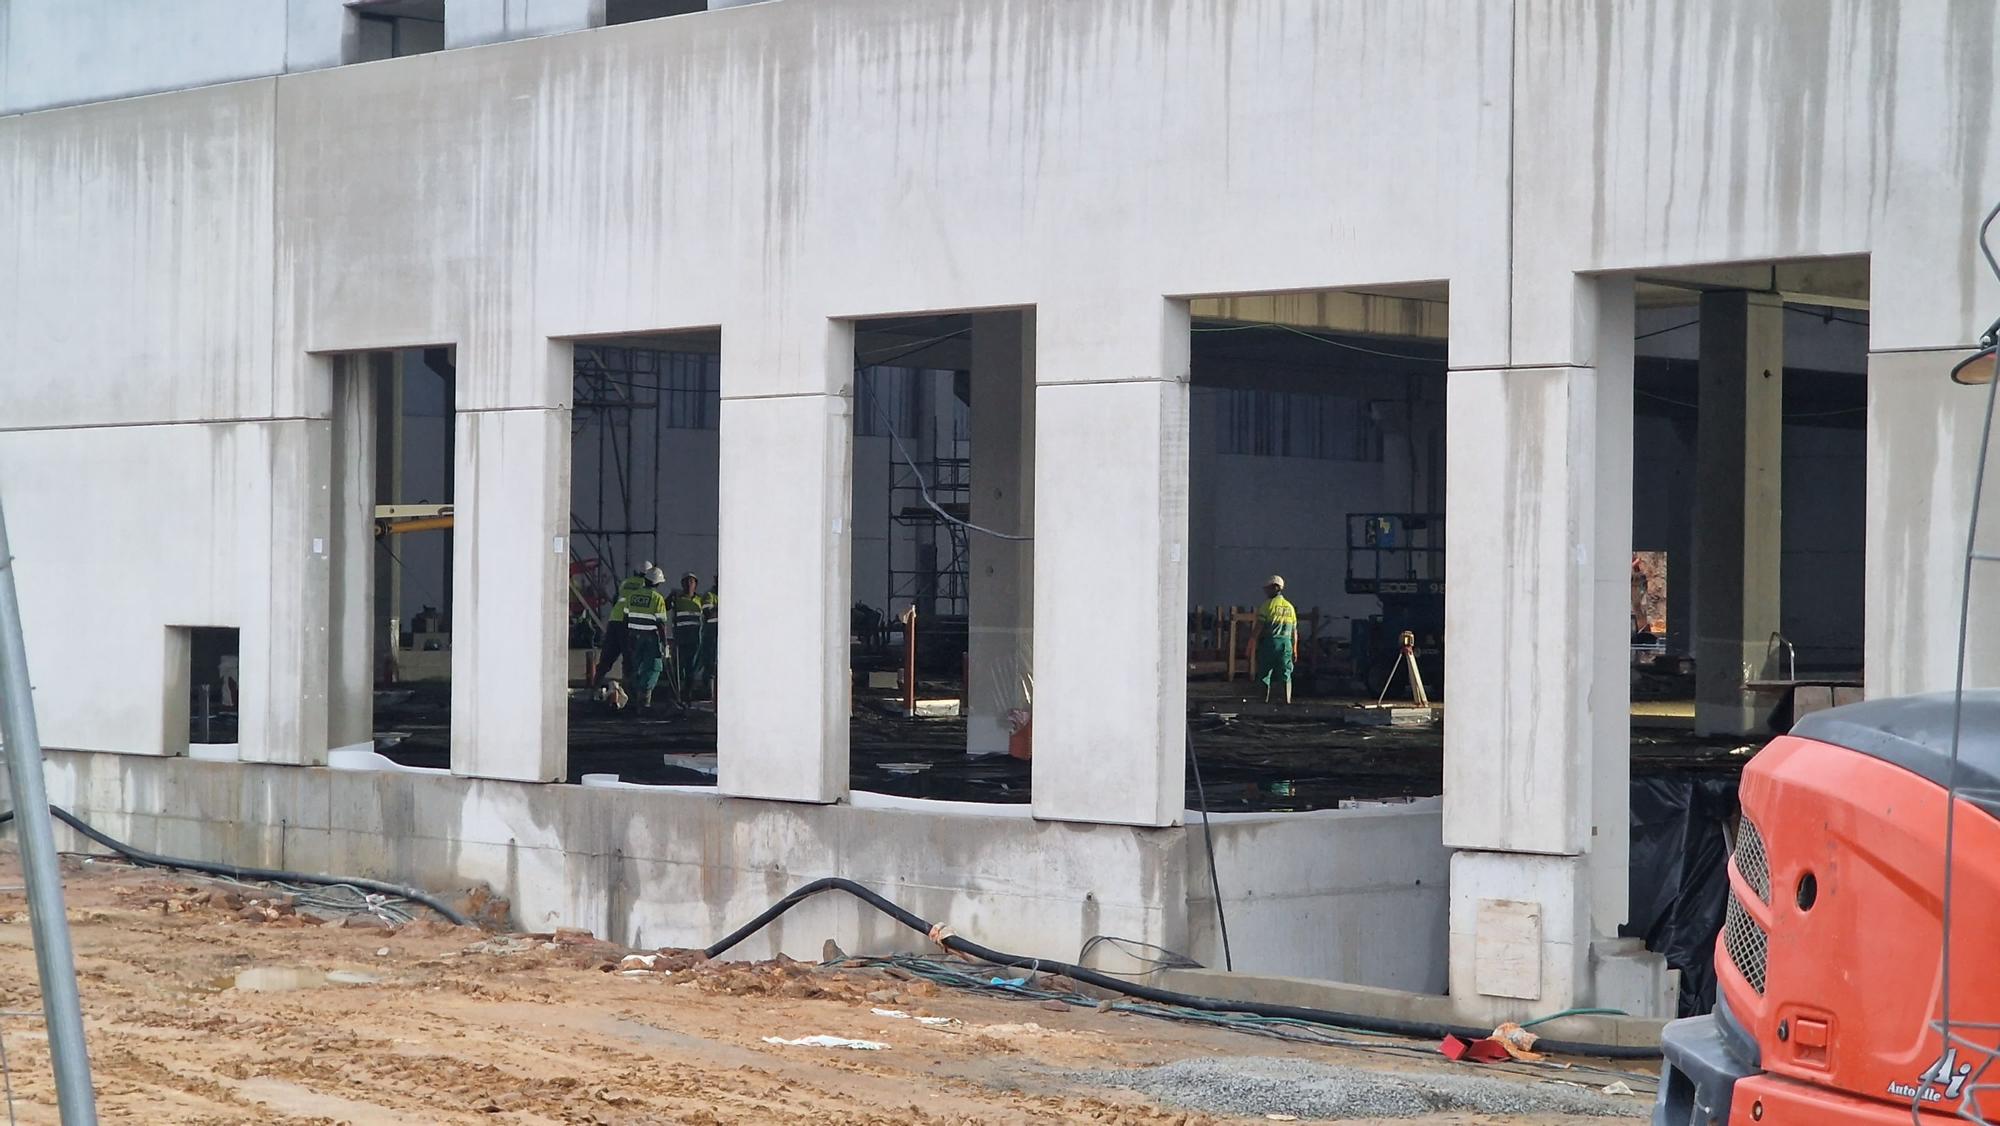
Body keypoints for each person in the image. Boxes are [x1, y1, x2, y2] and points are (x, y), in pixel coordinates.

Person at [593, 561, 656, 693]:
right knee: (629, 658)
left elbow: (617, 600)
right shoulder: (645, 585)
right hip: (628, 622)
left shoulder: (625, 583)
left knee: (607, 658)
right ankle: (629, 692)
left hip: (614, 620)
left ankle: (594, 689)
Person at [620, 567, 670, 711]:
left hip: (634, 637)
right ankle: (644, 701)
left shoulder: (632, 596)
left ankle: (631, 699)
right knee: (654, 668)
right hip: (650, 638)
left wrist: (627, 639)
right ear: (658, 583)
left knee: (635, 666)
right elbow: (661, 624)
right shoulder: (657, 598)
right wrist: (664, 644)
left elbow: (625, 619)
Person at [1254, 574, 1298, 705]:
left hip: (1270, 643)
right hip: (1286, 644)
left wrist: (1251, 642)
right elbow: (1294, 631)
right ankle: (1287, 702)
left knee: (1264, 672)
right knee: (1285, 673)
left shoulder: (1267, 605)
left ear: (1275, 588)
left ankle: (1263, 702)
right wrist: (1295, 649)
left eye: (1267, 588)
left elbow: (1259, 627)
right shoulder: (1290, 607)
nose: (1265, 591)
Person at [668, 572, 705, 704]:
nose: (689, 584)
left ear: (695, 585)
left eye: (691, 582)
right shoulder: (677, 599)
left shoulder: (700, 600)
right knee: (678, 667)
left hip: (694, 639)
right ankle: (676, 694)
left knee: (691, 669)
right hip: (680, 638)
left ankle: (687, 695)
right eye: (686, 582)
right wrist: (671, 597)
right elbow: (665, 607)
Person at [696, 577, 718, 702]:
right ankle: (708, 692)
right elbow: (708, 613)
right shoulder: (709, 596)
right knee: (710, 663)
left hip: (724, 635)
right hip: (711, 634)